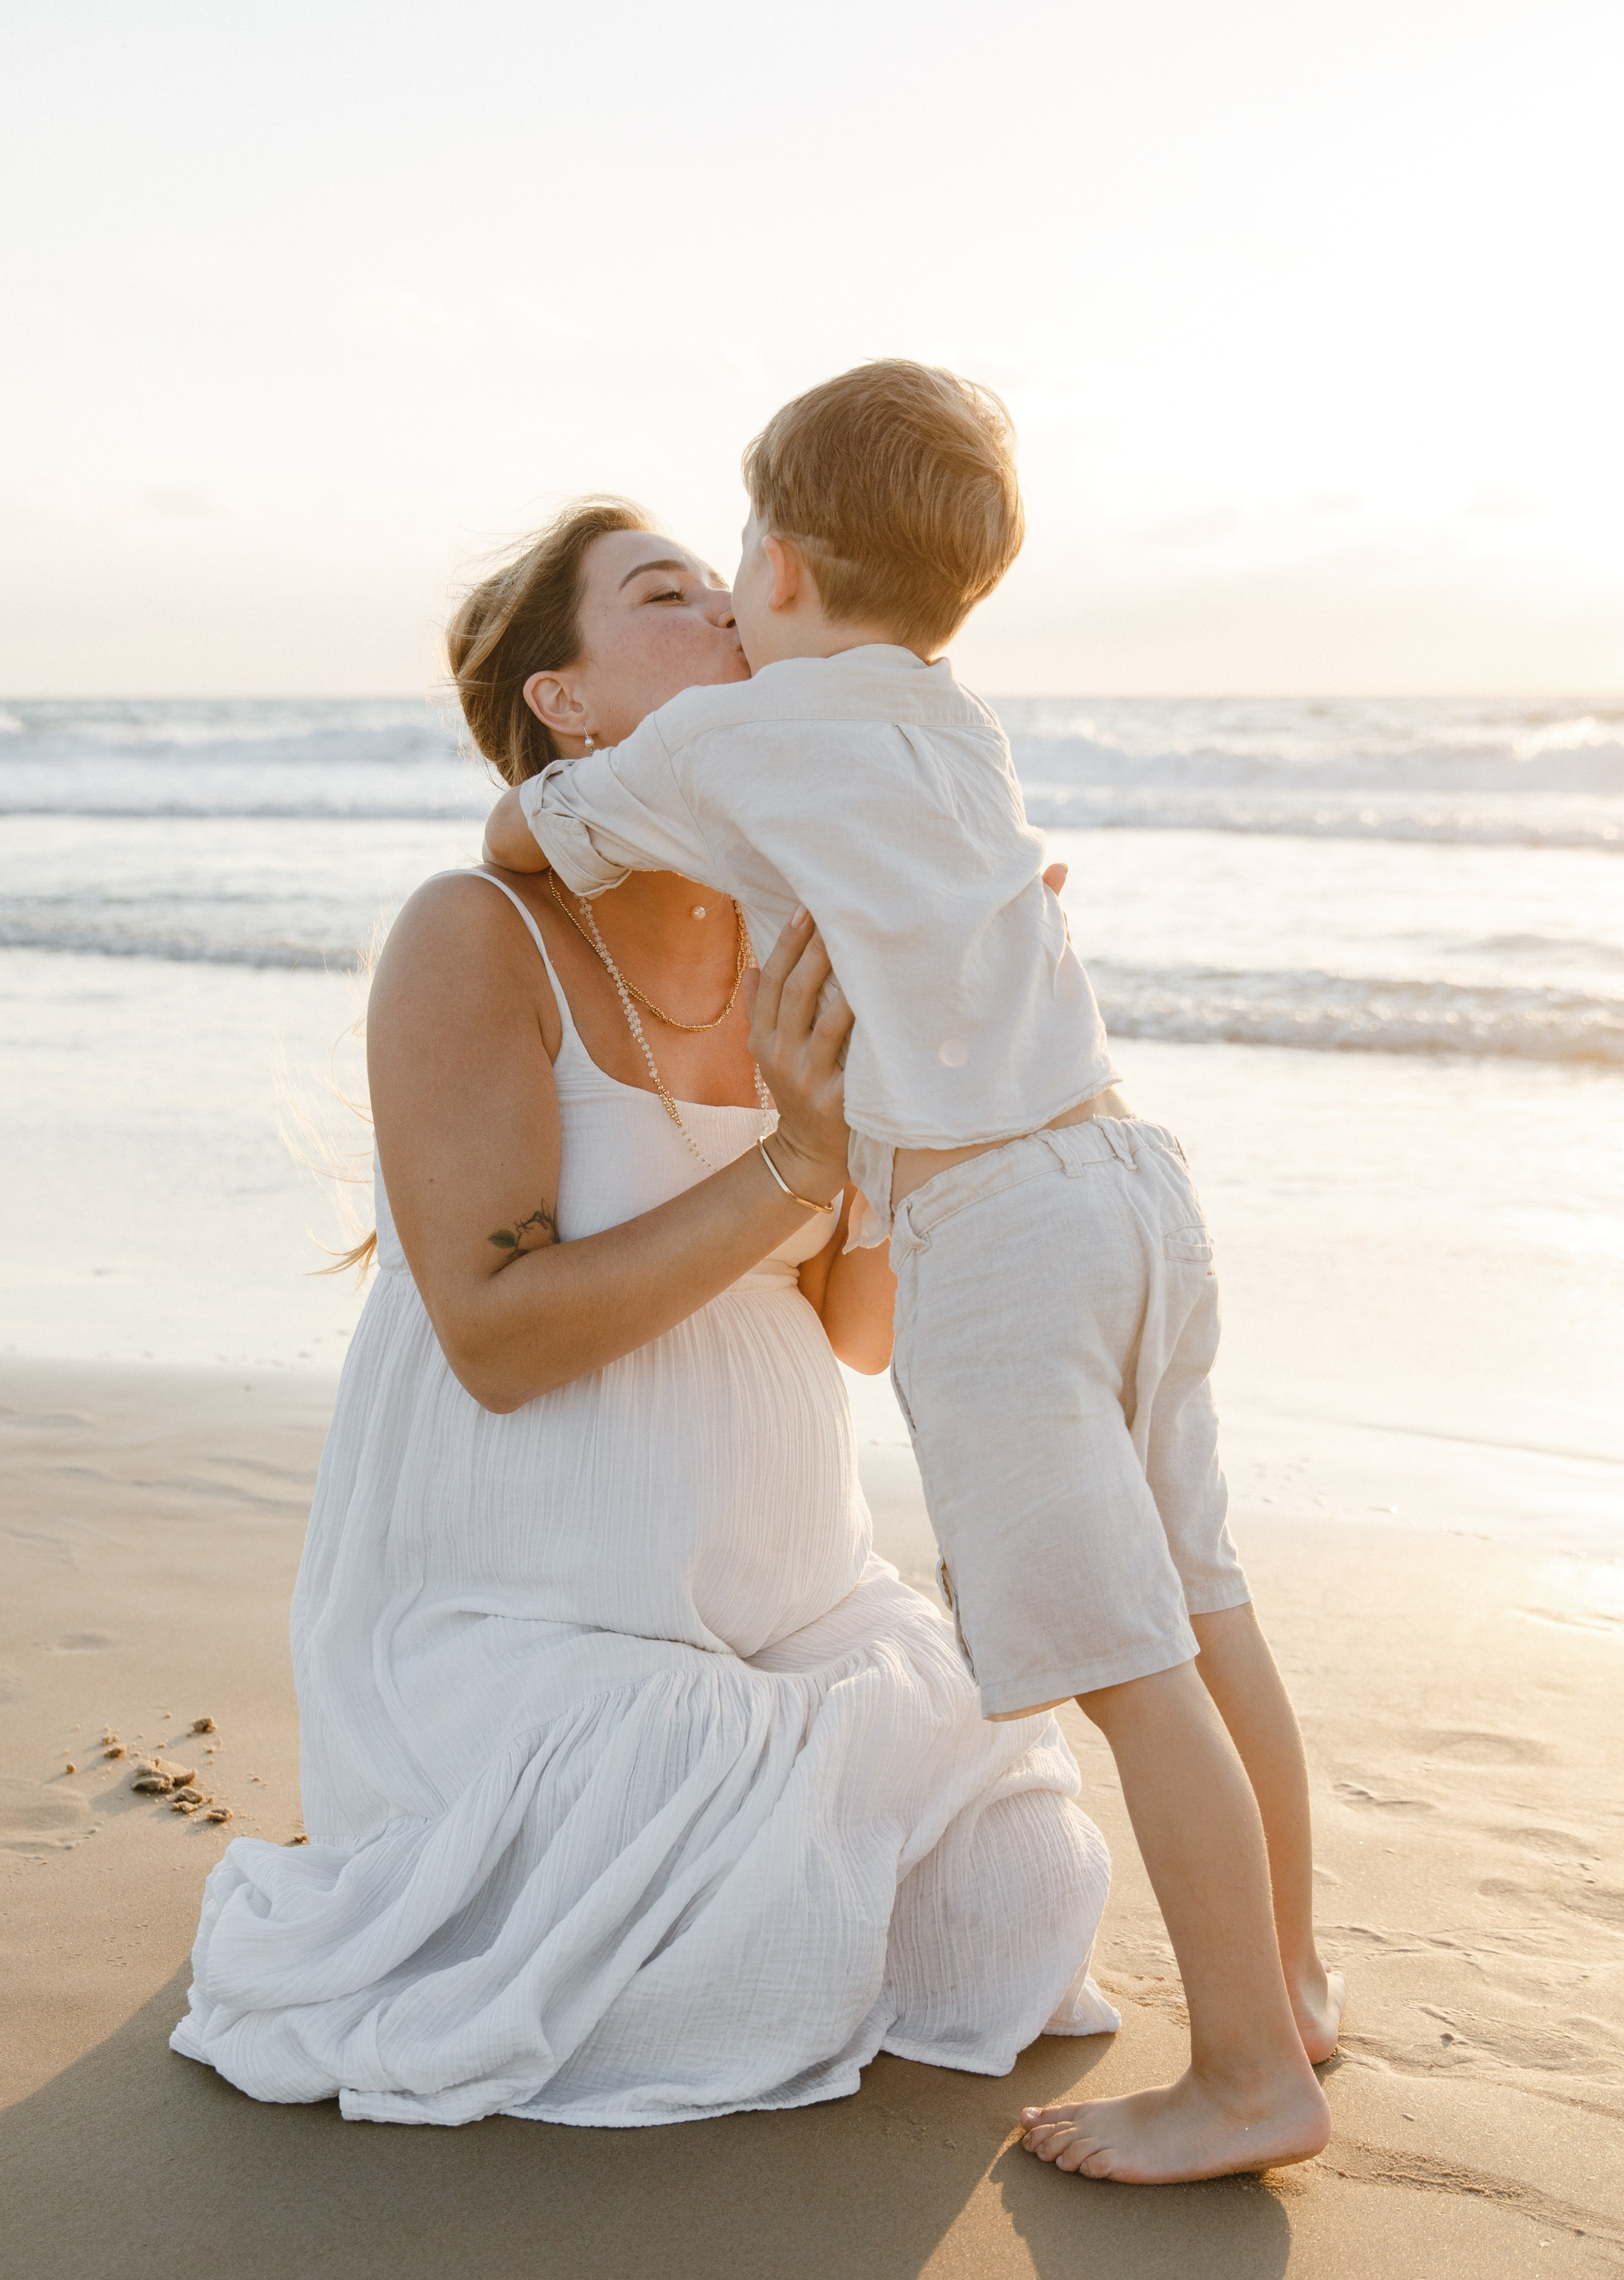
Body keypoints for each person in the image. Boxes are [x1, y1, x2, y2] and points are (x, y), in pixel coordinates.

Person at [485, 364, 1345, 2183]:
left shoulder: (725, 745)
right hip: (1131, 1186)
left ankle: (1253, 2074)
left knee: (1128, 1665)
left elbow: (521, 837)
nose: (723, 601)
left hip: (996, 1239)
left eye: (730, 571)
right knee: (1209, 1605)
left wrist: (603, 779)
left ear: (783, 570)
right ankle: (1298, 1975)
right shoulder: (953, 720)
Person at [170, 497, 1118, 2127]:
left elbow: (857, 1329)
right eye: (667, 596)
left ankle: (769, 1827)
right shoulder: (477, 933)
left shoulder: (796, 932)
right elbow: (495, 1333)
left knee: (1020, 1882)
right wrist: (798, 1164)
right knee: (719, 1868)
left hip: (788, 1592)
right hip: (516, 1619)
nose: (732, 615)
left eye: (726, 586)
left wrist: (937, 1068)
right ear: (569, 704)